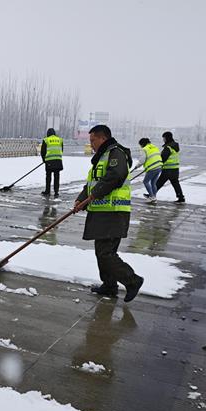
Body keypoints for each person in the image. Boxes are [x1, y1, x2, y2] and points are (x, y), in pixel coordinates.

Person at [73, 124, 145, 302]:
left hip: (114, 212)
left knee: (106, 253)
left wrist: (95, 194)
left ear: (102, 138)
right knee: (102, 252)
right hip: (103, 212)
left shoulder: (116, 153)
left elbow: (116, 176)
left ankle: (132, 280)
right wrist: (81, 199)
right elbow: (92, 183)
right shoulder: (102, 157)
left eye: (93, 141)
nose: (91, 145)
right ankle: (109, 286)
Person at [155, 131, 185, 204]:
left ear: (167, 138)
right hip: (175, 169)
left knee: (159, 182)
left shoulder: (168, 147)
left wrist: (157, 163)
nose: (163, 139)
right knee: (175, 183)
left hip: (168, 169)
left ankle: (151, 194)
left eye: (164, 138)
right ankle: (181, 197)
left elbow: (163, 158)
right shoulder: (174, 146)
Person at [132, 137, 163, 203]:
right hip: (159, 166)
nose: (140, 146)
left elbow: (142, 160)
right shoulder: (155, 147)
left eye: (140, 145)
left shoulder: (144, 149)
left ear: (142, 144)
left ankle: (151, 197)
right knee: (153, 183)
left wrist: (137, 166)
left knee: (145, 181)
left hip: (152, 167)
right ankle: (154, 197)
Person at [40, 127, 64, 197]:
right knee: (57, 177)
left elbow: (43, 152)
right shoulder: (59, 140)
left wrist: (44, 160)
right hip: (58, 161)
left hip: (49, 161)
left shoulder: (46, 140)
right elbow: (61, 150)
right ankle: (56, 192)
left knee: (48, 176)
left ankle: (47, 191)